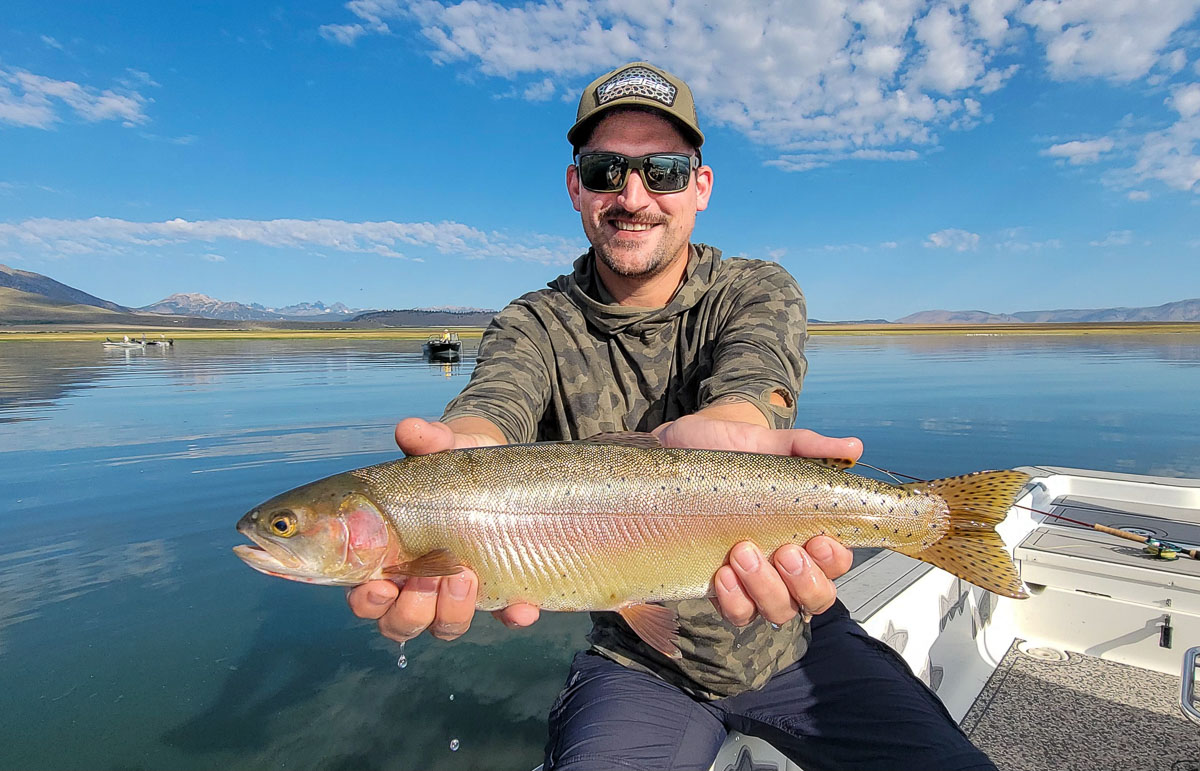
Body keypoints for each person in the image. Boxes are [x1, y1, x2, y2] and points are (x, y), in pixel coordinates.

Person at [348, 62, 996, 771]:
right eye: (605, 170)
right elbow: (491, 411)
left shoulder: (755, 289)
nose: (633, 196)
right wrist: (457, 455)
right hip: (639, 661)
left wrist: (741, 426)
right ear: (575, 187)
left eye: (662, 171)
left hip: (797, 637)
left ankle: (935, 519)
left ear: (700, 186)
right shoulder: (532, 324)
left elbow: (756, 385)